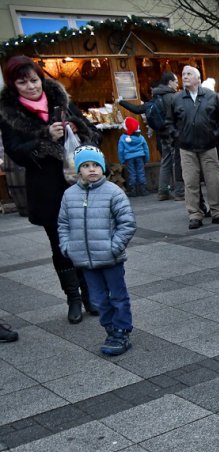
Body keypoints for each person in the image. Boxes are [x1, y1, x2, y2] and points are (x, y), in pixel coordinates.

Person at [0, 55, 100, 324]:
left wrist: (77, 128)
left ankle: (90, 295)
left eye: (34, 80)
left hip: (77, 185)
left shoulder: (60, 98)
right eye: (23, 83)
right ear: (13, 85)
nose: (31, 87)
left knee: (82, 242)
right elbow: (15, 152)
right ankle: (73, 299)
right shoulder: (8, 113)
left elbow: (93, 132)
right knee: (61, 246)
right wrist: (45, 137)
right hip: (46, 189)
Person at [57, 146, 136, 356]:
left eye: (95, 165)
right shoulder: (69, 195)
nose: (91, 169)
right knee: (98, 299)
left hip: (111, 259)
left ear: (102, 168)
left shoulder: (113, 192)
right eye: (85, 165)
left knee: (118, 297)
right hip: (84, 260)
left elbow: (127, 223)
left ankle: (121, 331)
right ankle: (110, 329)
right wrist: (67, 247)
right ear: (78, 170)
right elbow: (63, 224)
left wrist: (114, 247)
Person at [170, 65, 219, 230]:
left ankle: (218, 213)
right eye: (183, 74)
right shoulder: (177, 98)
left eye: (189, 74)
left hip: (208, 146)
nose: (185, 76)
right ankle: (195, 215)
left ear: (198, 79)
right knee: (190, 182)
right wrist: (177, 136)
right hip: (186, 148)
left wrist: (216, 134)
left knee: (213, 181)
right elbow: (169, 121)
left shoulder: (211, 96)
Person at [120, 72, 182, 200]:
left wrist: (121, 102)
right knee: (177, 162)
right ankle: (179, 192)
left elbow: (138, 109)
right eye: (176, 82)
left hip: (162, 135)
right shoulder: (173, 97)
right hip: (174, 134)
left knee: (165, 162)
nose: (177, 84)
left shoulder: (155, 98)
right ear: (170, 82)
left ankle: (163, 192)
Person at [117, 117, 149, 197]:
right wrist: (146, 158)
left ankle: (133, 190)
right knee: (141, 172)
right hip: (140, 157)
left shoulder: (122, 137)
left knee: (132, 173)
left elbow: (120, 150)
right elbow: (146, 148)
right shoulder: (140, 137)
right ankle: (143, 190)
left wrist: (122, 160)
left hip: (128, 158)